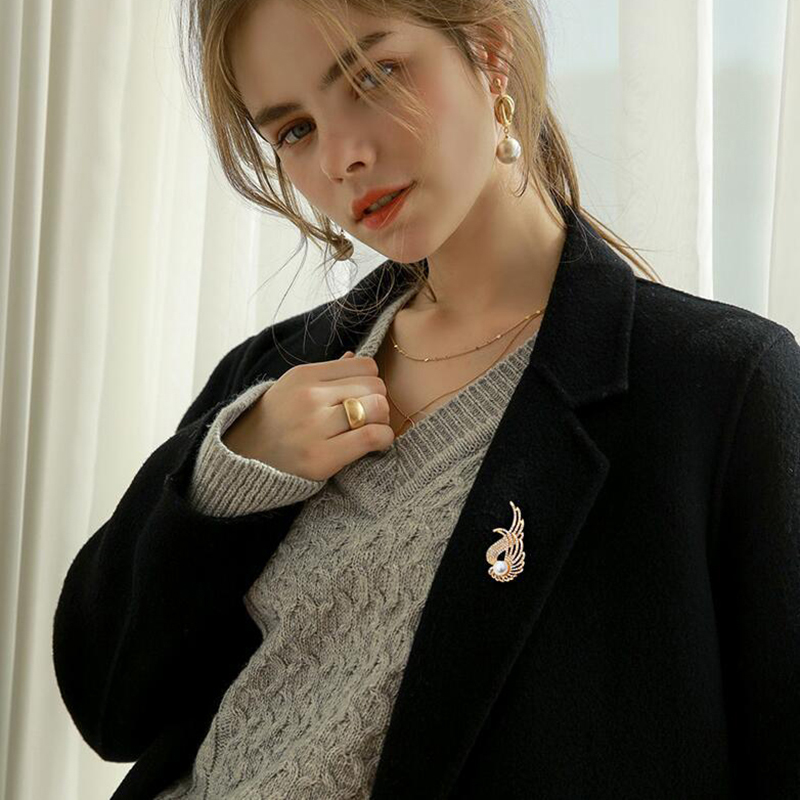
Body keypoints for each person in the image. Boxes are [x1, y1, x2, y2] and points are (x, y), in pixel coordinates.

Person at [52, 0, 800, 798]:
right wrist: (234, 473)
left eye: (374, 76)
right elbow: (109, 704)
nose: (342, 156)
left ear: (490, 52)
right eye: (295, 130)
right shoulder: (274, 373)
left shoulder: (718, 393)